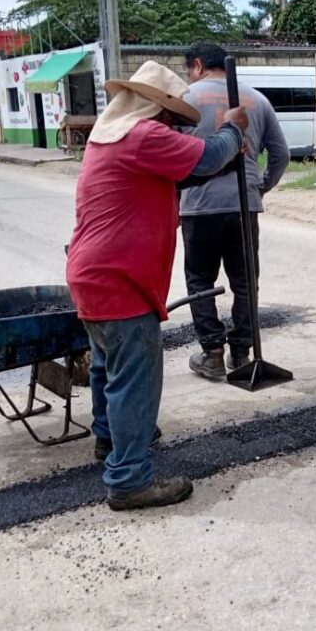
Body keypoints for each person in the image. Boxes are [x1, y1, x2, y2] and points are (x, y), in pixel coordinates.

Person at [66, 61, 248, 511]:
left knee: (108, 369)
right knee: (135, 380)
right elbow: (204, 157)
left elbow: (189, 172)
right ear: (150, 110)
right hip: (120, 279)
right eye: (168, 118)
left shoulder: (108, 140)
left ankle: (110, 444)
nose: (171, 128)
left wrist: (223, 158)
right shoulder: (141, 136)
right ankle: (129, 480)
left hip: (92, 274)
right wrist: (231, 129)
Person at [180, 43, 289, 379]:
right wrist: (260, 186)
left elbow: (171, 153)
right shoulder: (257, 99)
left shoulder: (184, 100)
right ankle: (241, 353)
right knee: (245, 282)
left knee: (199, 279)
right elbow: (281, 153)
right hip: (243, 205)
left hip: (198, 207)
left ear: (197, 65)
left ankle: (212, 353)